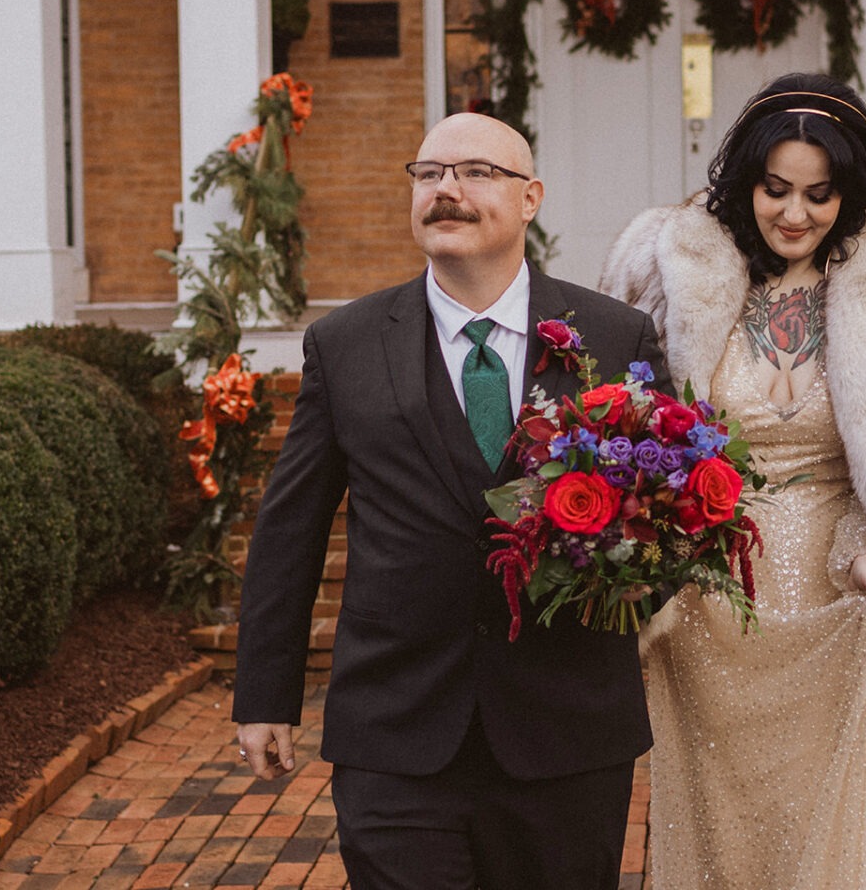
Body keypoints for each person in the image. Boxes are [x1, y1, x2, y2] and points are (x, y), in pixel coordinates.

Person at [232, 112, 671, 890]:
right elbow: (290, 529)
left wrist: (625, 576)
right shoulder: (346, 344)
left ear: (530, 197)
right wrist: (265, 695)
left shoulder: (614, 337)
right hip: (395, 733)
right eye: (429, 174)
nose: (447, 191)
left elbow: (667, 518)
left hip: (566, 731)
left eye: (475, 173)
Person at [600, 73, 866, 888]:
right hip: (708, 606)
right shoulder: (675, 277)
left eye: (819, 194)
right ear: (746, 182)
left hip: (836, 600)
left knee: (843, 825)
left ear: (849, 190)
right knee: (725, 823)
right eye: (775, 189)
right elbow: (633, 437)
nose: (795, 214)